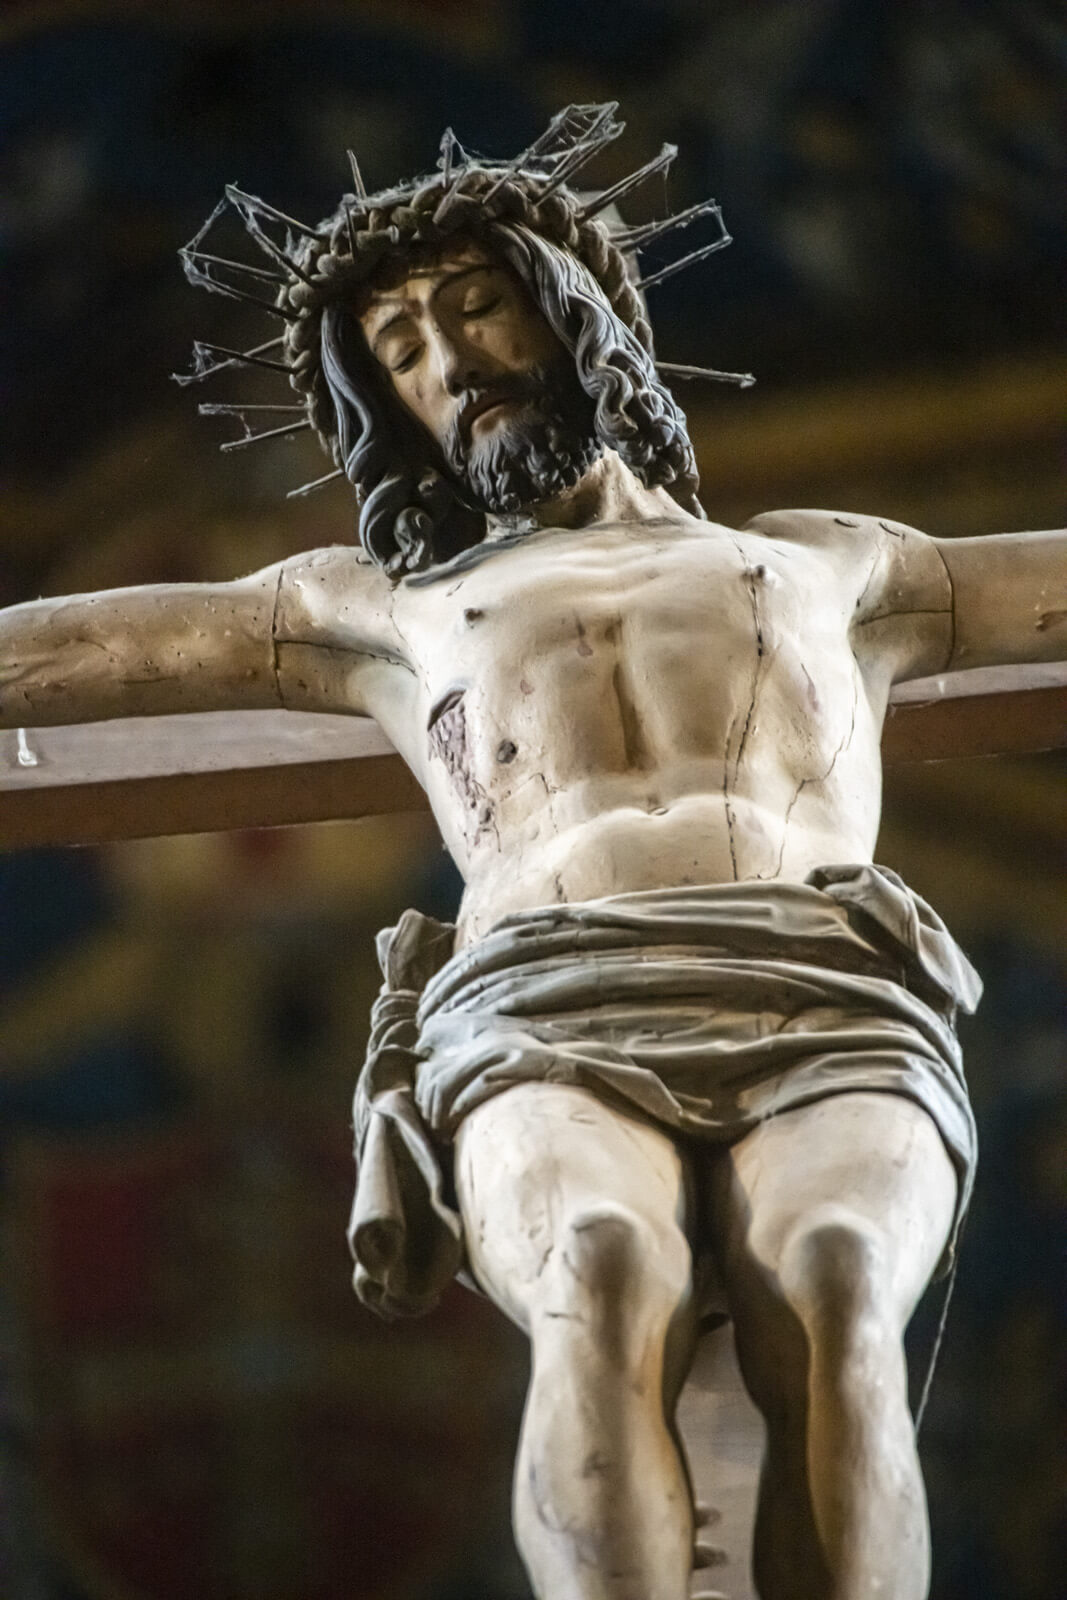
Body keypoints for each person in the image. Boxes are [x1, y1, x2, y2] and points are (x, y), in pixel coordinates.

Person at [1, 107, 1063, 1600]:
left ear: (577, 312)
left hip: (820, 979)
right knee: (599, 1268)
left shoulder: (830, 561)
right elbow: (74, 654)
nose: (451, 365)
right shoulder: (380, 607)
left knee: (834, 1279)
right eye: (403, 350)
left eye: (476, 306)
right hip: (549, 1001)